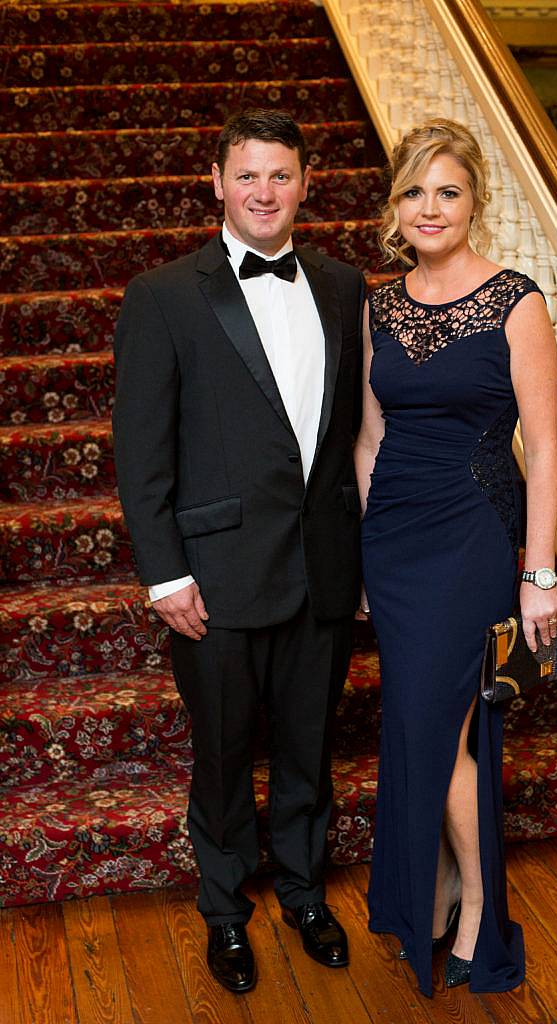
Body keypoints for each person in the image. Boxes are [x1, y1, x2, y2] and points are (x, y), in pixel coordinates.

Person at [113, 109, 366, 995]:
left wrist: (360, 555)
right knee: (222, 755)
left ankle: (303, 892)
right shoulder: (164, 294)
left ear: (306, 184)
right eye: (246, 175)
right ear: (217, 183)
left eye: (281, 175)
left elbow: (350, 437)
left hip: (323, 567)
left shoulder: (343, 284)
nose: (264, 192)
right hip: (212, 578)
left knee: (308, 747)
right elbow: (142, 450)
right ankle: (226, 912)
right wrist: (164, 572)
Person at [354, 119, 557, 997]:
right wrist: (367, 559)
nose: (430, 208)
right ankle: (437, 889)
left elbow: (546, 451)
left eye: (449, 191)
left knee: (437, 738)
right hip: (395, 541)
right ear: (395, 207)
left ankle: (479, 907)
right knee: (419, 726)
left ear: (476, 202)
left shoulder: (517, 300)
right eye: (414, 192)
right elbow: (369, 438)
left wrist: (539, 572)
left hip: (472, 532)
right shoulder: (380, 302)